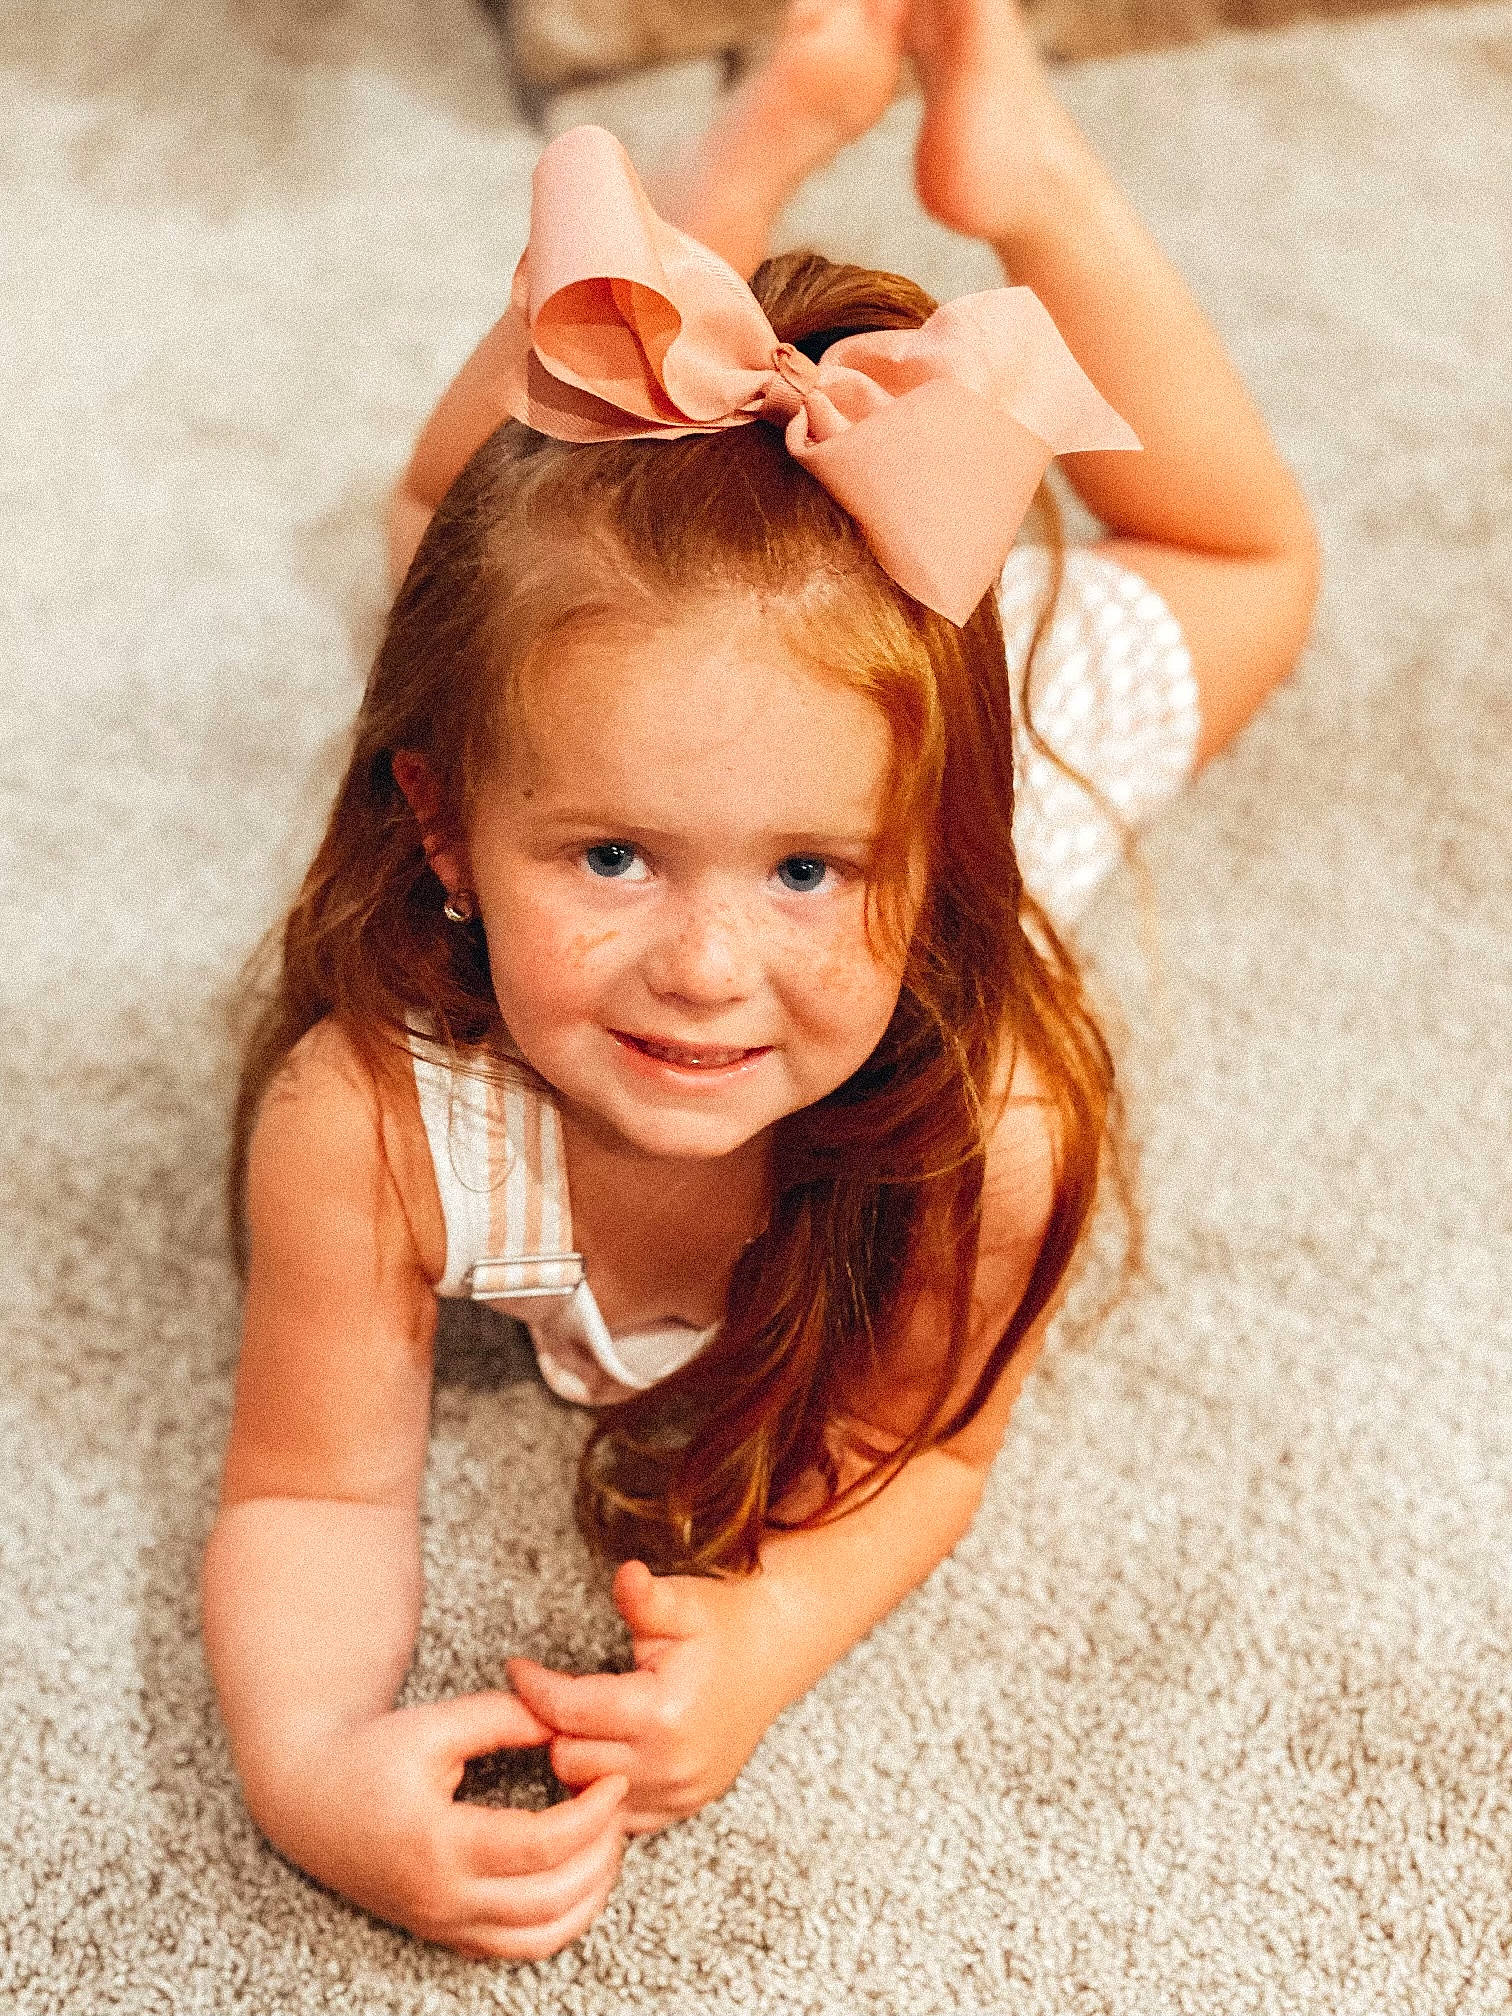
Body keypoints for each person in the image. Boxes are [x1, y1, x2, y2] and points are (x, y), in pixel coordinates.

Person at [203, 0, 1320, 1965]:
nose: (709, 968)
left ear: (920, 855)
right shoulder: (366, 1122)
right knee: (441, 527)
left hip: (911, 773)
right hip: (709, 714)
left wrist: (777, 1629)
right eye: (608, 856)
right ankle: (722, 176)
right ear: (448, 836)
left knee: (1255, 563)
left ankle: (1024, 169)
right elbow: (307, 1493)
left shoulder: (991, 1131)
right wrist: (304, 1763)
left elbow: (925, 1446)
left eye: (797, 876)